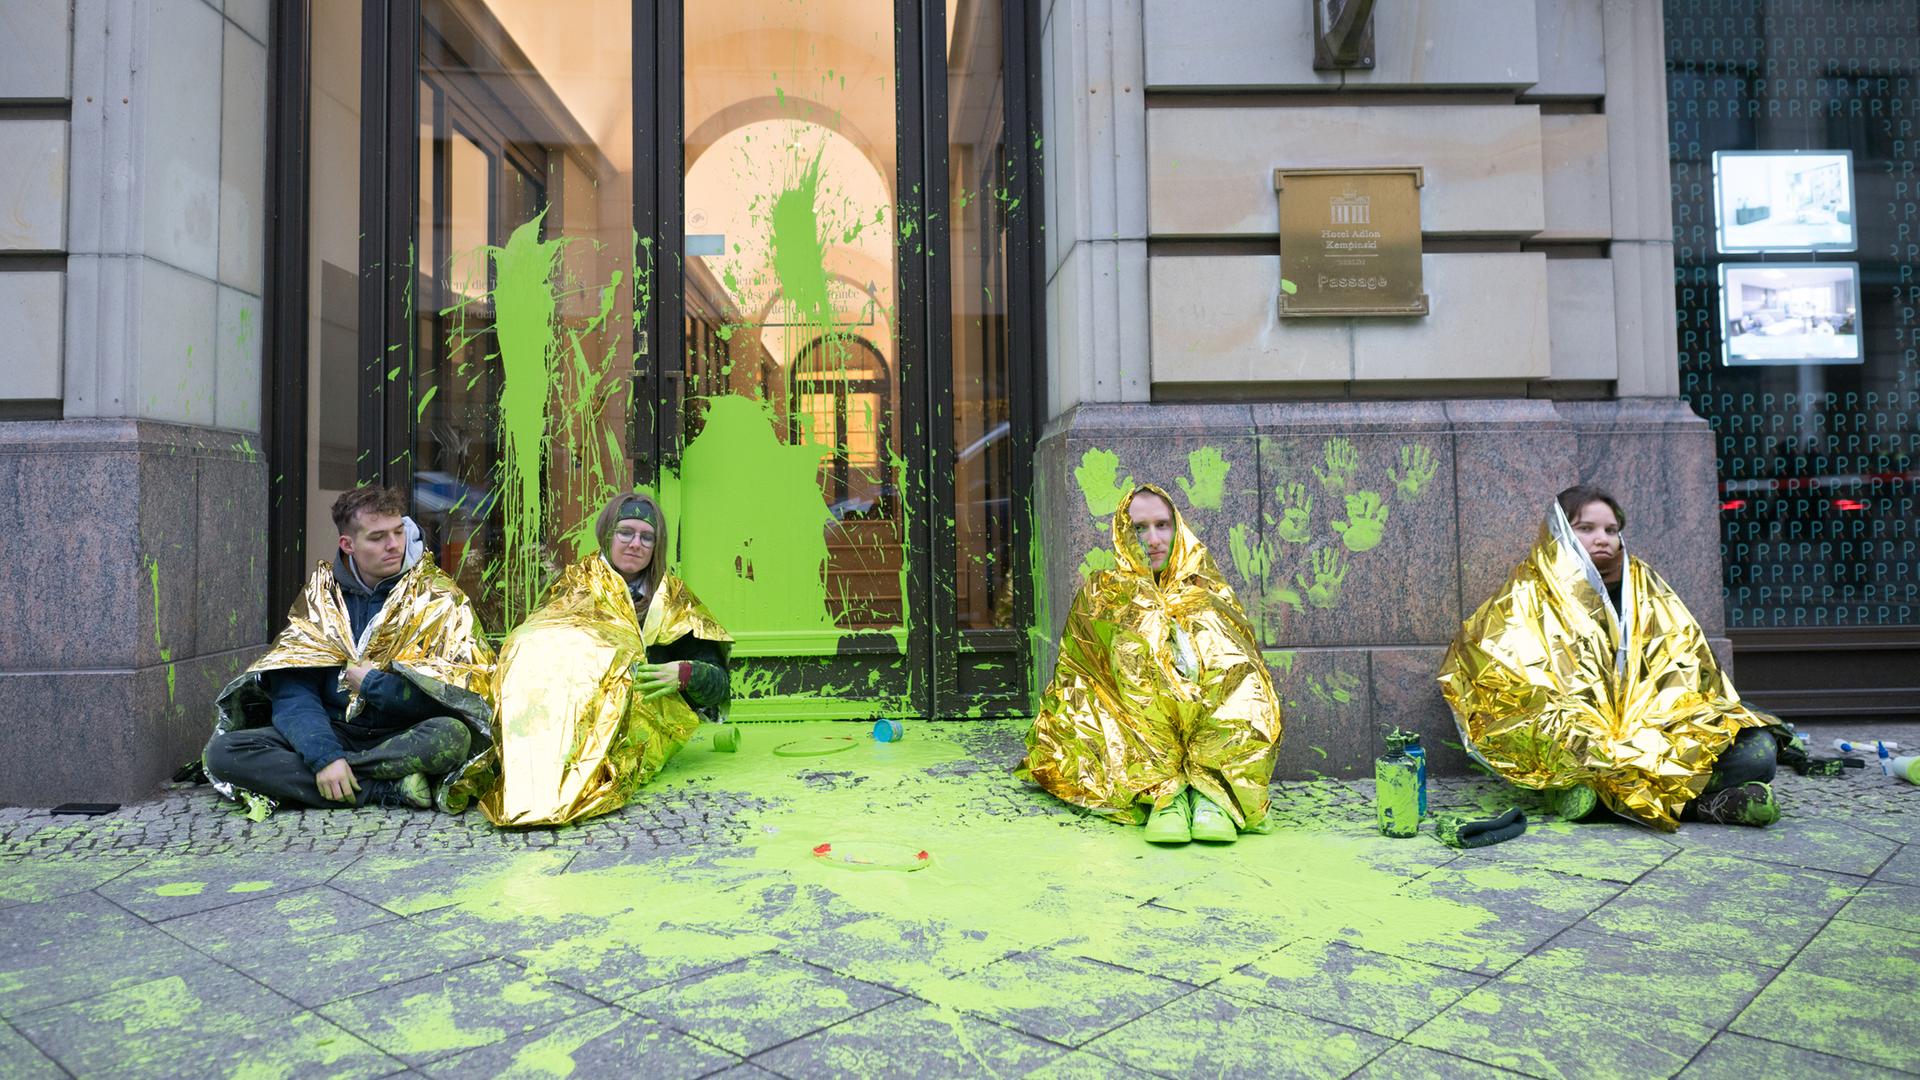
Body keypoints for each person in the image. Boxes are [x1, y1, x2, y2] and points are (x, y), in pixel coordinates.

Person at [1438, 485, 1781, 831]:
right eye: (1586, 529)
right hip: (1579, 743)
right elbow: (1500, 677)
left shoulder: (1644, 586)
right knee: (1587, 763)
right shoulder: (1526, 595)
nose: (1602, 539)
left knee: (1760, 753)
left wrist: (1648, 734)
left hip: (1654, 734)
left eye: (1611, 530)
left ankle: (1608, 799)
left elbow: (1689, 671)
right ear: (1558, 531)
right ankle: (1689, 804)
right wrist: (1595, 740)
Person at [203, 487, 494, 817]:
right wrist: (325, 757)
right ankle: (382, 788)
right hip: (334, 729)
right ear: (348, 544)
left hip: (401, 733)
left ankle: (336, 781)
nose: (394, 545)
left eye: (399, 532)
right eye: (378, 537)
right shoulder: (323, 598)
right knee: (224, 753)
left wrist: (373, 685)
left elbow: (451, 697)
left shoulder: (436, 597)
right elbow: (294, 692)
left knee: (451, 737)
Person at [1020, 484, 1284, 844]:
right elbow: (1080, 675)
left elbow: (1243, 674)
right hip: (1136, 731)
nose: (1153, 539)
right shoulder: (1103, 594)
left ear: (1179, 529)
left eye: (1162, 525)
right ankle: (1165, 793)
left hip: (1205, 723)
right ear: (1123, 534)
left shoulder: (1208, 591)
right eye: (1140, 528)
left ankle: (1213, 792)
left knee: (1235, 669)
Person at [477, 491, 732, 827]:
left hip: (636, 731)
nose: (635, 544)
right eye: (626, 532)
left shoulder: (672, 602)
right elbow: (538, 651)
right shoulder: (576, 587)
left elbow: (720, 687)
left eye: (647, 537)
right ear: (608, 535)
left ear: (657, 546)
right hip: (567, 728)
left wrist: (686, 674)